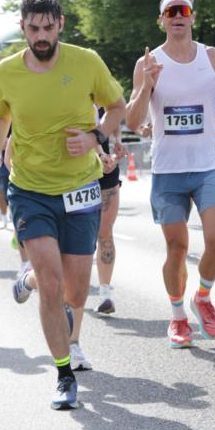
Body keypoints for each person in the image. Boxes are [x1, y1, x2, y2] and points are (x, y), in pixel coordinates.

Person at [0, 0, 125, 410]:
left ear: (60, 24)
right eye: (33, 29)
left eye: (48, 27)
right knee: (51, 281)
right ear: (23, 27)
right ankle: (63, 374)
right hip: (29, 187)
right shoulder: (7, 71)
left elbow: (116, 107)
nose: (41, 36)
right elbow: (1, 115)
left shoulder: (86, 61)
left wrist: (95, 136)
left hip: (81, 186)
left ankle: (25, 280)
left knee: (76, 292)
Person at [126, 0, 215, 349]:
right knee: (177, 248)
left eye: (184, 10)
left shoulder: (211, 58)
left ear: (193, 17)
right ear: (161, 20)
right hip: (168, 171)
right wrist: (147, 84)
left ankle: (203, 297)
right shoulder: (148, 62)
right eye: (170, 11)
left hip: (207, 165)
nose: (178, 16)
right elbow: (132, 121)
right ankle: (177, 317)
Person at [94, 110, 126, 314]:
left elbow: (114, 112)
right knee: (68, 234)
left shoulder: (101, 85)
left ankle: (105, 293)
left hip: (105, 169)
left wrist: (117, 139)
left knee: (105, 231)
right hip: (69, 171)